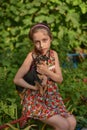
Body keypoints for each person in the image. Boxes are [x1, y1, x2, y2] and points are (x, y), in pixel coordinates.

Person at [13, 23, 76, 130]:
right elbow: (16, 79)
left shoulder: (53, 54)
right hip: (35, 101)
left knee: (72, 122)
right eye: (37, 42)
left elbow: (59, 79)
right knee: (63, 125)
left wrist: (47, 71)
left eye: (44, 40)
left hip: (52, 99)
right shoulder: (32, 56)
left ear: (51, 38)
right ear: (33, 42)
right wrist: (33, 87)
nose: (41, 45)